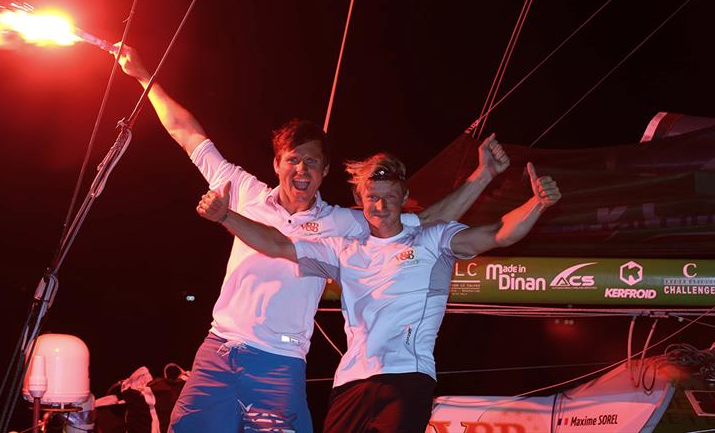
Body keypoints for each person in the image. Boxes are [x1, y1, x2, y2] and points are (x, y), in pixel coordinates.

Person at [114, 45, 512, 432]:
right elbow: (186, 133)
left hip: (280, 361)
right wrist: (145, 77)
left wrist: (482, 177)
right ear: (277, 164)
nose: (302, 169)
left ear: (323, 173)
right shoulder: (242, 189)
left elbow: (422, 222)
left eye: (313, 162)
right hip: (218, 350)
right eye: (293, 159)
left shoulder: (343, 224)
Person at [196, 153, 561, 432]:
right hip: (349, 384)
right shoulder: (344, 248)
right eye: (372, 197)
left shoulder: (433, 238)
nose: (380, 206)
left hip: (406, 378)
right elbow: (278, 244)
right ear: (360, 196)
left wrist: (537, 204)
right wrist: (226, 216)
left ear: (404, 196)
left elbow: (498, 232)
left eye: (389, 197)